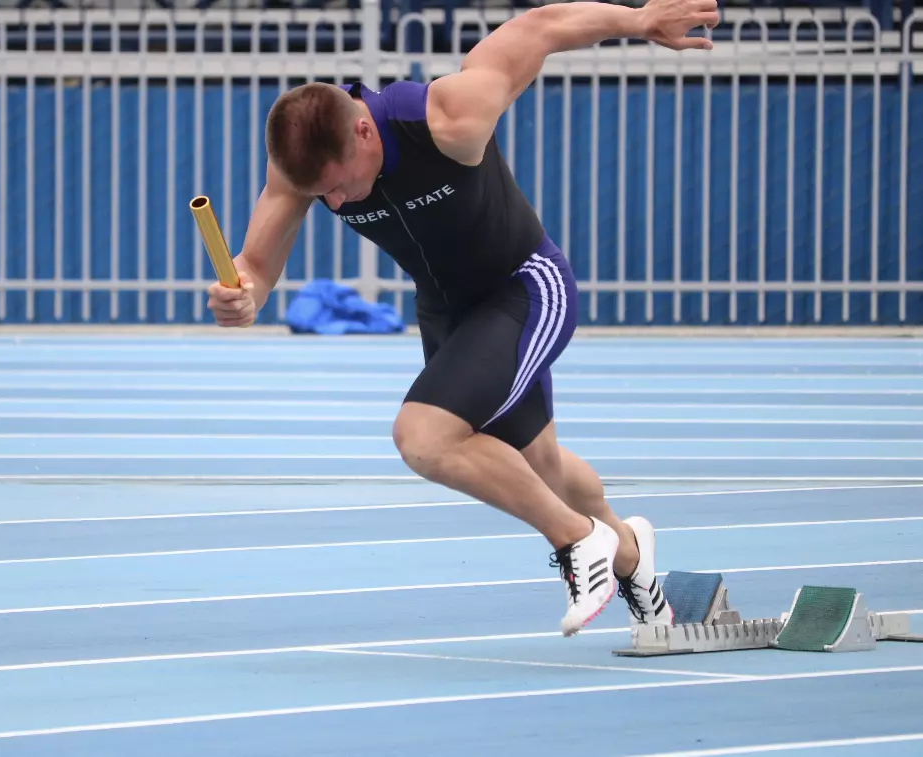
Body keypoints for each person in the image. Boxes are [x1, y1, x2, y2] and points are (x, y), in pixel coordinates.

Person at [206, 0, 719, 636]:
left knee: (423, 438)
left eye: (338, 186)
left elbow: (536, 28)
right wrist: (244, 294)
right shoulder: (301, 166)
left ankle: (577, 541)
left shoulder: (446, 115)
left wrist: (639, 20)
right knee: (541, 467)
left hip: (525, 288)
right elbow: (256, 263)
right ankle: (631, 555)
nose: (333, 203)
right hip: (448, 313)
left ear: (364, 132)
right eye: (322, 197)